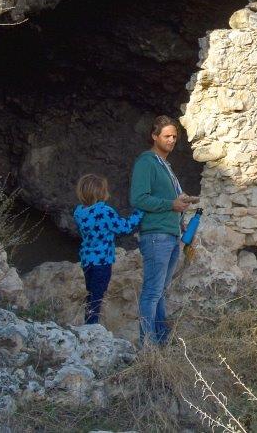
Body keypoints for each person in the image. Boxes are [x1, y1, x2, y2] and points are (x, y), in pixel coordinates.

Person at [130, 115, 198, 346]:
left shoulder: (165, 166)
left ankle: (160, 343)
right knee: (152, 292)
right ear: (154, 136)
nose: (171, 140)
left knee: (159, 292)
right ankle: (147, 346)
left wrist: (180, 213)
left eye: (174, 137)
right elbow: (138, 198)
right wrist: (171, 204)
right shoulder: (146, 162)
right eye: (167, 136)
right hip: (156, 236)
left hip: (170, 234)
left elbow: (166, 200)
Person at [72, 173, 142, 326]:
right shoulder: (104, 211)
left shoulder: (79, 212)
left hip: (87, 260)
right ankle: (91, 327)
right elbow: (124, 228)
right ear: (100, 192)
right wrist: (138, 213)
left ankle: (89, 322)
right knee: (97, 295)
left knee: (91, 294)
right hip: (102, 261)